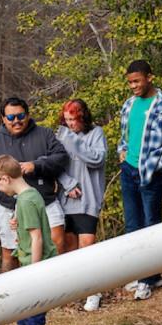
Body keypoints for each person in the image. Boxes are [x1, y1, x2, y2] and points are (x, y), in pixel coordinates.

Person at [118, 59, 162, 302]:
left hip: (152, 175)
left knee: (151, 227)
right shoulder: (129, 105)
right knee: (132, 226)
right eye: (130, 82)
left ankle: (149, 279)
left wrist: (158, 166)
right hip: (129, 170)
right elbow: (125, 136)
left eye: (137, 81)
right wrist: (122, 152)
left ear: (150, 77)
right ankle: (141, 274)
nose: (133, 86)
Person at [0, 98, 68, 272]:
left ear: (28, 115)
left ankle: (54, 291)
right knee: (10, 253)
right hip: (7, 206)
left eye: (21, 115)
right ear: (3, 118)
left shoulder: (44, 134)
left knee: (57, 243)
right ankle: (7, 295)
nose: (16, 120)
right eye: (11, 117)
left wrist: (36, 166)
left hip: (44, 201)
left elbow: (61, 157)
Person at [0, 155, 57, 325]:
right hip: (29, 261)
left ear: (6, 179)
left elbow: (37, 237)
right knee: (21, 307)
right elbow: (32, 222)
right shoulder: (29, 196)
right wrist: (17, 222)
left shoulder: (25, 201)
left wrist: (34, 271)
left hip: (35, 264)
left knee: (33, 311)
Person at [55, 98, 108, 311]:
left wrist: (73, 141)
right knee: (68, 248)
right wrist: (68, 185)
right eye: (67, 120)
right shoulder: (62, 136)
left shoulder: (97, 134)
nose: (70, 125)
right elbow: (55, 164)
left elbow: (96, 159)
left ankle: (93, 291)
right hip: (66, 200)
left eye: (74, 120)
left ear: (83, 118)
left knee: (87, 247)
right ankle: (73, 289)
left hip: (88, 201)